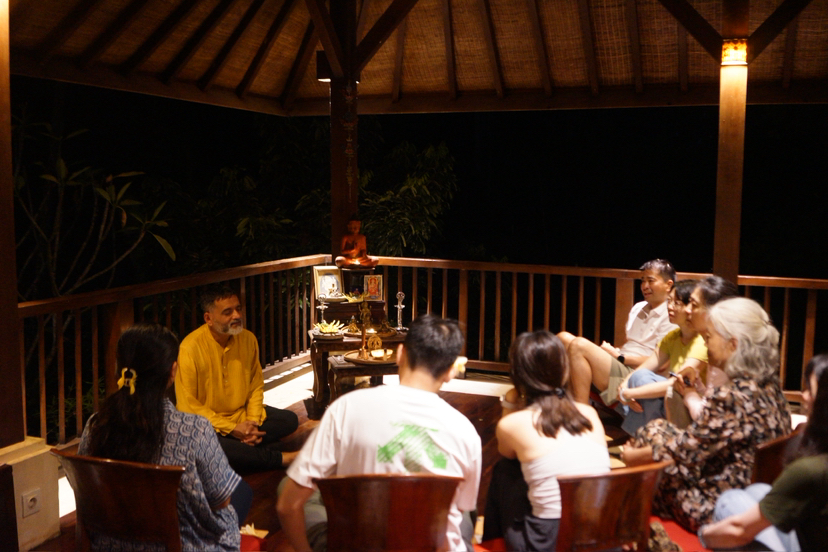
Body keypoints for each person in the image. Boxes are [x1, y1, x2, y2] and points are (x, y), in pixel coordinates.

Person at [277, 315, 482, 552]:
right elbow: (462, 506)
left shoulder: (347, 408)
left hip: (355, 547)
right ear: (450, 372)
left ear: (400, 354)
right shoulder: (465, 432)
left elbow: (287, 506)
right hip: (431, 547)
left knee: (289, 486)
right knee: (464, 510)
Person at [621, 297, 792, 532]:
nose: (705, 343)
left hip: (717, 503)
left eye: (709, 337)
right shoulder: (770, 385)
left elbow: (687, 451)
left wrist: (634, 457)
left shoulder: (732, 397)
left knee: (646, 465)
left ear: (733, 345)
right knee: (656, 429)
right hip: (747, 488)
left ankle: (627, 523)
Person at [79, 323, 250, 551]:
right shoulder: (194, 429)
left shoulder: (95, 425)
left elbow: (85, 491)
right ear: (172, 371)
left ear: (120, 369)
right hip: (181, 546)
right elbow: (221, 500)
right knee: (242, 492)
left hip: (109, 544)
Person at [482, 331, 610, 551]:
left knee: (505, 469)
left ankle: (491, 543)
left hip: (550, 541)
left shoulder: (513, 424)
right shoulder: (588, 414)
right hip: (602, 534)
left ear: (517, 374)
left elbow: (506, 451)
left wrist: (510, 401)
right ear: (564, 371)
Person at [699, 355, 828, 551]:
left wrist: (704, 535)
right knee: (757, 491)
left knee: (728, 500)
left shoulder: (811, 470)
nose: (804, 396)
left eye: (810, 390)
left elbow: (739, 530)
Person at [176, 285, 299, 473]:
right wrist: (232, 428)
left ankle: (244, 450)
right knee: (205, 442)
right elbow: (188, 406)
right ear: (208, 318)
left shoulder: (248, 339)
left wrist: (252, 423)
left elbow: (256, 386)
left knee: (289, 420)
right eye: (228, 312)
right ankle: (278, 457)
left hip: (241, 416)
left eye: (238, 309)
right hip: (209, 424)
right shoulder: (190, 348)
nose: (237, 315)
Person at [558, 259, 677, 404]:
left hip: (640, 374)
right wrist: (613, 352)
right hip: (622, 363)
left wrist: (621, 357)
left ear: (668, 285)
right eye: (643, 281)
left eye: (651, 281)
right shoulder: (638, 307)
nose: (644, 286)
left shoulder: (672, 314)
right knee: (562, 338)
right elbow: (631, 345)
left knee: (579, 345)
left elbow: (663, 364)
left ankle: (582, 411)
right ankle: (556, 400)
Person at [616, 279, 708, 435]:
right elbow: (646, 366)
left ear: (690, 308)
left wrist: (630, 393)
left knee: (652, 386)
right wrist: (623, 386)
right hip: (672, 397)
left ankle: (649, 438)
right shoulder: (673, 336)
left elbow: (677, 383)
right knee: (640, 376)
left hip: (692, 403)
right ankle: (646, 437)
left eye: (676, 303)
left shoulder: (701, 341)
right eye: (669, 301)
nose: (669, 307)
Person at [672, 275, 739, 422]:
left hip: (725, 430)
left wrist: (689, 393)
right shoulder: (717, 342)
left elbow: (708, 416)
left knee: (672, 396)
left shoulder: (725, 350)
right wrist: (695, 383)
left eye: (694, 305)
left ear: (713, 312)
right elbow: (712, 396)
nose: (687, 309)